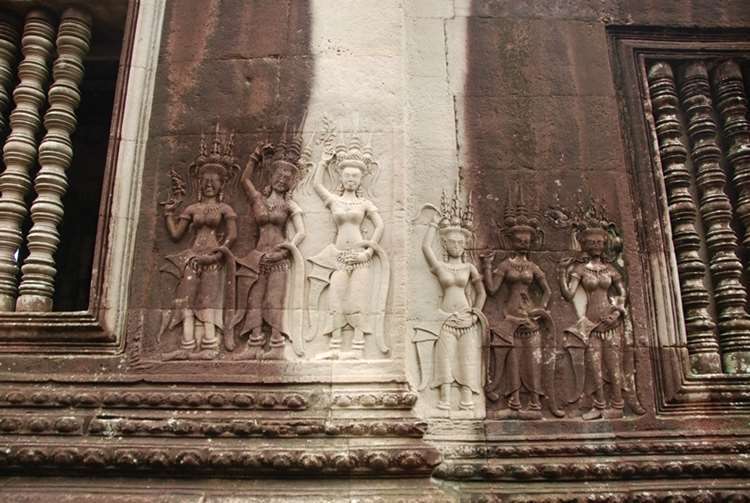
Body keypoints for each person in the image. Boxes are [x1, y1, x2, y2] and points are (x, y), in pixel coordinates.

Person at [158, 129, 240, 360]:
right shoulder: (192, 208)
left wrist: (216, 255)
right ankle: (187, 345)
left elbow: (232, 236)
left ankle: (210, 345)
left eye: (214, 181)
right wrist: (168, 213)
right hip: (192, 257)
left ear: (222, 184)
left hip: (213, 258)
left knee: (207, 301)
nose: (209, 185)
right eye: (205, 181)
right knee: (186, 301)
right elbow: (176, 235)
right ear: (200, 183)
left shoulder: (225, 209)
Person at [307, 135, 389, 360]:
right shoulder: (335, 200)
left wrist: (368, 252)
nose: (351, 178)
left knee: (357, 298)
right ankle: (334, 346)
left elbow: (379, 225)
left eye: (355, 175)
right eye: (347, 175)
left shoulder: (364, 204)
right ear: (341, 178)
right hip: (339, 256)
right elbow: (316, 185)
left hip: (360, 256)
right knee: (336, 296)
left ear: (361, 179)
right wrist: (323, 162)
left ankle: (357, 347)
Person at [413, 188, 487, 411]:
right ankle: (444, 398)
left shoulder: (469, 267)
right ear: (445, 244)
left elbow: (481, 292)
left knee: (468, 358)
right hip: (445, 318)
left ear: (464, 245)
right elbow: (425, 247)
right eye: (452, 243)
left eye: (460, 243)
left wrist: (475, 314)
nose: (456, 246)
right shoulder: (440, 266)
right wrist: (433, 224)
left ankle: (466, 398)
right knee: (444, 358)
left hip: (466, 317)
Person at [232, 140, 306, 360]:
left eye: (287, 178)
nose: (282, 180)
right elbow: (244, 180)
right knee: (254, 299)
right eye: (279, 176)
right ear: (272, 178)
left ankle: (276, 344)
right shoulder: (259, 200)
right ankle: (254, 343)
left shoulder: (289, 205)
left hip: (279, 257)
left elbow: (301, 232)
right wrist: (254, 157)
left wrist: (287, 249)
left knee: (274, 300)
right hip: (257, 256)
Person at [558, 215, 637, 419]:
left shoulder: (611, 269)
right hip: (591, 324)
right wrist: (561, 272)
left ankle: (617, 405)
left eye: (600, 242)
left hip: (610, 322)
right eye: (591, 242)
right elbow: (568, 294)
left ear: (605, 244)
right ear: (584, 244)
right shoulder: (579, 270)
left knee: (613, 365)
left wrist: (618, 312)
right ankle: (599, 404)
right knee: (595, 366)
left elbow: (623, 292)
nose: (596, 245)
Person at [482, 206, 554, 419]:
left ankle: (534, 404)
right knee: (512, 361)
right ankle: (514, 403)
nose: (523, 243)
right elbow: (493, 289)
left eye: (527, 240)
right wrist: (487, 266)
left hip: (530, 318)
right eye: (519, 240)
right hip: (510, 318)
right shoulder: (505, 265)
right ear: (511, 241)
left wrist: (541, 309)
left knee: (532, 361)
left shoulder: (533, 267)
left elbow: (547, 291)